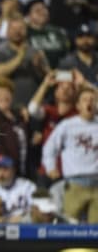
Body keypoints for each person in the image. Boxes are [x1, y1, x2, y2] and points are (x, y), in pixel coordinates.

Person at [42, 87, 98, 223]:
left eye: (93, 100)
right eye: (85, 100)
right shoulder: (67, 125)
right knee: (70, 227)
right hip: (74, 185)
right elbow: (49, 148)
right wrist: (50, 167)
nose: (89, 103)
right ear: (78, 105)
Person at [0, 155, 37, 222]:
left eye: (5, 169)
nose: (1, 174)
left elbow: (35, 210)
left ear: (14, 170)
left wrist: (22, 217)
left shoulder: (27, 186)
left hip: (23, 224)